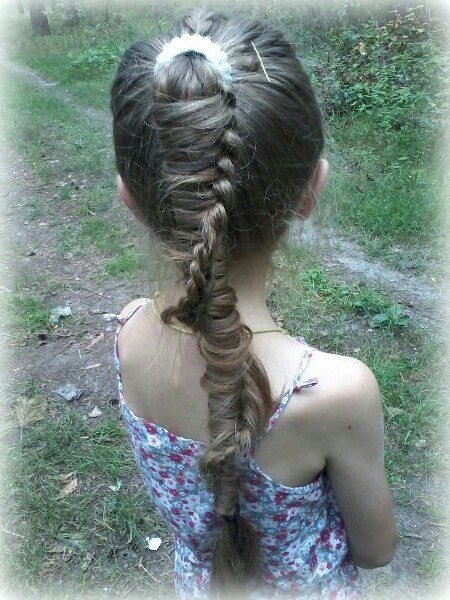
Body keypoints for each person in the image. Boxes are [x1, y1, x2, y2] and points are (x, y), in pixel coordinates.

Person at [106, 8, 398, 600]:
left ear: (130, 199)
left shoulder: (128, 334)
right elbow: (376, 549)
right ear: (311, 189)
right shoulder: (337, 394)